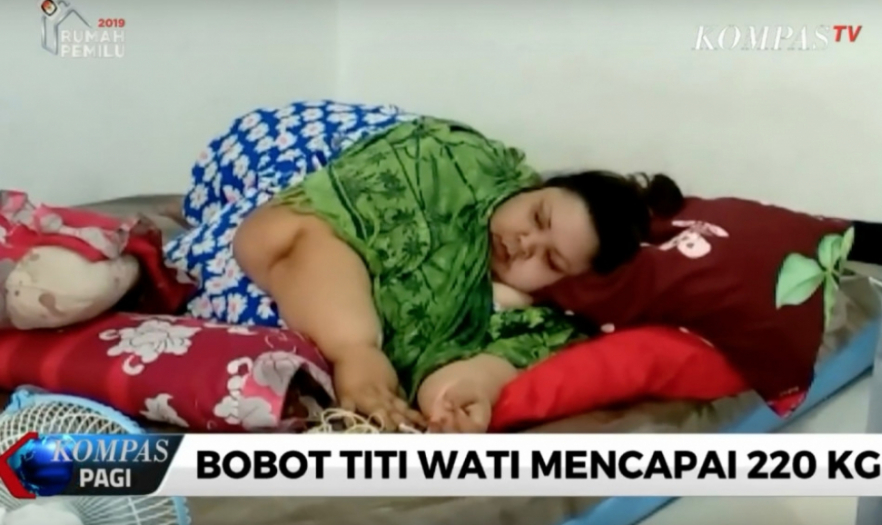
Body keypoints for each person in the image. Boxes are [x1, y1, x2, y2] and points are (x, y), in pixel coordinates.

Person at [164, 100, 685, 432]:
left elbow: (481, 369)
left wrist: (463, 398)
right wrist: (356, 352)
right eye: (537, 217)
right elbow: (284, 232)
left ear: (568, 282)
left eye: (550, 259)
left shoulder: (541, 324)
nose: (524, 243)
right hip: (283, 185)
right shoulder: (448, 165)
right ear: (535, 187)